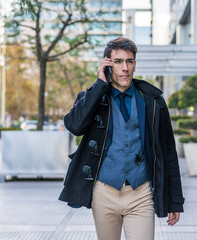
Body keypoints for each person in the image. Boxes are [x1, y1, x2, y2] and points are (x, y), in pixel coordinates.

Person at [59, 37, 184, 240]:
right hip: (104, 193)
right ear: (108, 65)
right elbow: (74, 126)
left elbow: (168, 151)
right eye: (118, 62)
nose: (124, 68)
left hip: (141, 193)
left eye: (129, 61)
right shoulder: (92, 98)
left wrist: (175, 201)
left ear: (135, 64)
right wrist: (99, 84)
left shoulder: (153, 101)